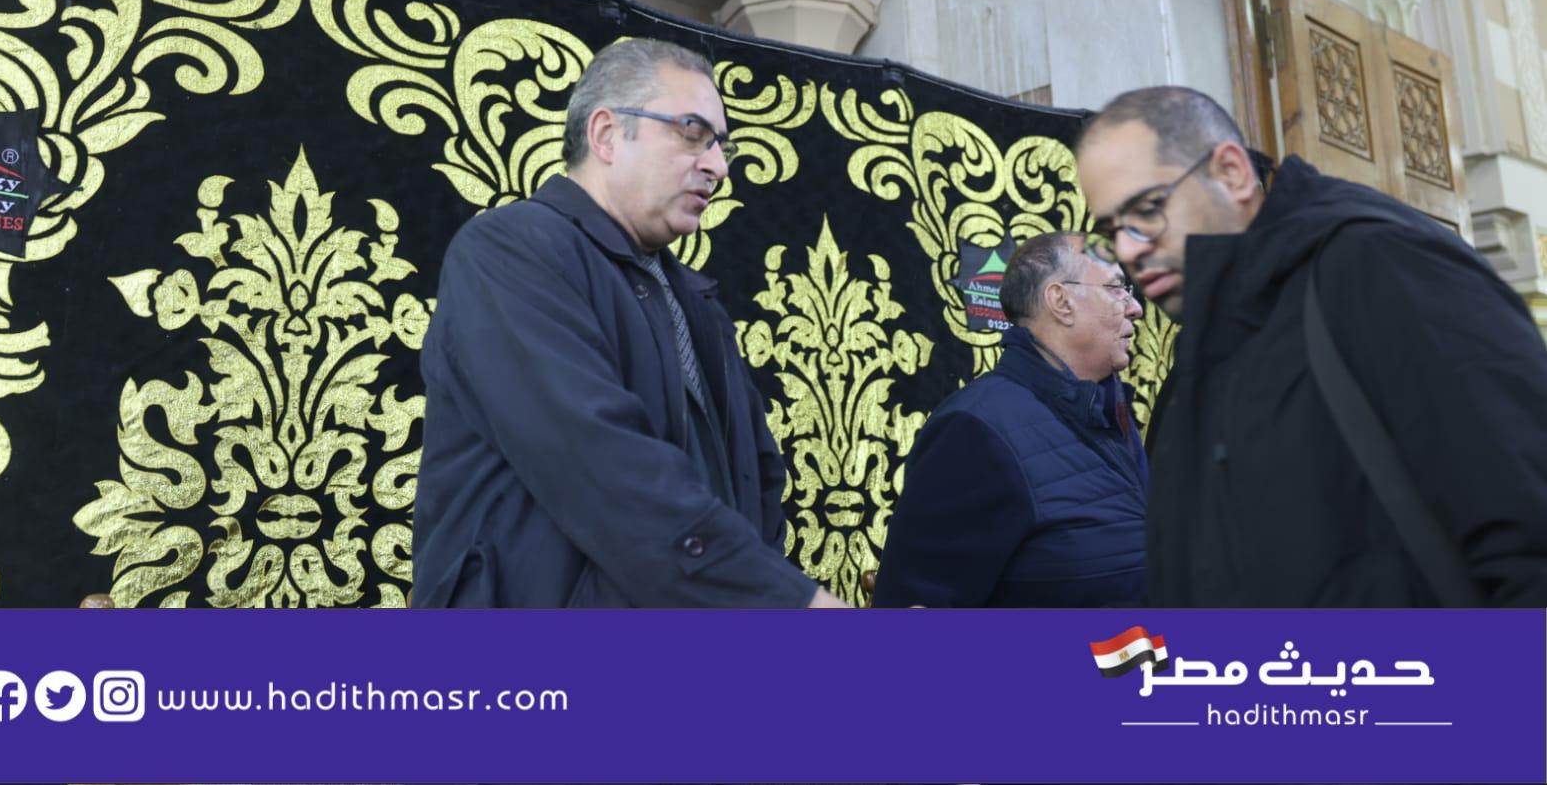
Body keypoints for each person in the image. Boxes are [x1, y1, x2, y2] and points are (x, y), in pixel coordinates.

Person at [412, 38, 845, 608]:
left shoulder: (698, 302)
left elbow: (753, 488)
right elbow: (602, 467)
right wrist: (799, 606)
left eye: (722, 146)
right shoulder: (509, 251)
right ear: (607, 135)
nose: (717, 166)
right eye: (692, 132)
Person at [1074, 85, 1547, 606]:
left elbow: (1526, 534)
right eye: (1111, 231)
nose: (1128, 250)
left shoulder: (1383, 265)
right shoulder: (1204, 352)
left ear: (1231, 173)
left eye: (1147, 210)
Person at [872, 231, 1148, 608]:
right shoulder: (974, 430)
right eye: (1117, 288)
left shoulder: (1110, 413)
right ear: (1061, 301)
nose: (1135, 308)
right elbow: (915, 607)